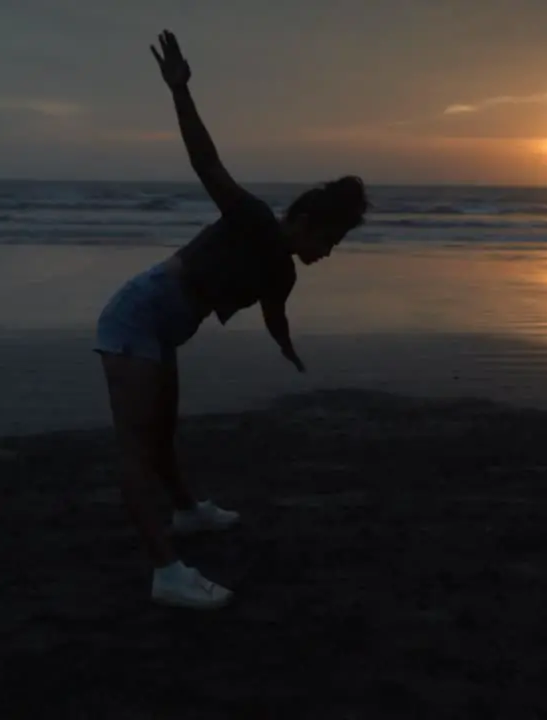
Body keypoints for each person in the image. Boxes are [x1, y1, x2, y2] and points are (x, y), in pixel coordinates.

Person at [92, 29, 370, 609]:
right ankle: (166, 571)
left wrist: (287, 349)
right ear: (306, 221)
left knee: (162, 434)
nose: (331, 251)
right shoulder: (252, 220)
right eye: (332, 238)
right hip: (137, 315)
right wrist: (180, 90)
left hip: (162, 329)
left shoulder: (283, 272)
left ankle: (188, 514)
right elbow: (205, 161)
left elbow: (275, 314)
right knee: (137, 448)